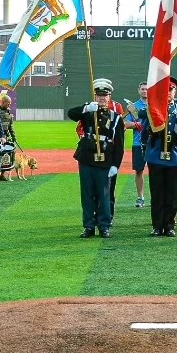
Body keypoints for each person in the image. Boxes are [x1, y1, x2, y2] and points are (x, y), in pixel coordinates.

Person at [67, 78, 125, 238]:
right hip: (86, 158)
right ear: (95, 97)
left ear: (109, 97)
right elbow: (71, 114)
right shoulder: (88, 112)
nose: (101, 99)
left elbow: (119, 144)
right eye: (99, 95)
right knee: (87, 194)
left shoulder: (116, 118)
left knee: (104, 195)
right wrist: (86, 108)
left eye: (104, 96)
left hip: (105, 159)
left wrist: (115, 165)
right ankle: (88, 226)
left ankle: (104, 226)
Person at [141, 76, 177, 237]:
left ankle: (169, 225)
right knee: (156, 193)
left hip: (174, 155)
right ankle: (157, 226)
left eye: (171, 90)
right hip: (155, 155)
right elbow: (144, 130)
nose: (168, 93)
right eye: (165, 90)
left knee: (171, 193)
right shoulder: (153, 108)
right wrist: (145, 151)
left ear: (175, 91)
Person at [123, 82, 149, 208]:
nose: (145, 91)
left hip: (153, 143)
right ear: (139, 90)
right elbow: (126, 124)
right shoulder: (133, 106)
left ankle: (156, 197)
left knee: (157, 171)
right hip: (138, 143)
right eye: (142, 89)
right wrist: (136, 125)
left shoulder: (154, 104)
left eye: (147, 89)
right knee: (139, 171)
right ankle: (140, 197)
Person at [0, 91, 17, 181]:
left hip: (5, 137)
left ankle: (3, 174)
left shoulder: (9, 113)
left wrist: (13, 136)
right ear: (2, 102)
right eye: (8, 103)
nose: (9, 105)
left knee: (5, 155)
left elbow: (11, 126)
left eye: (10, 103)